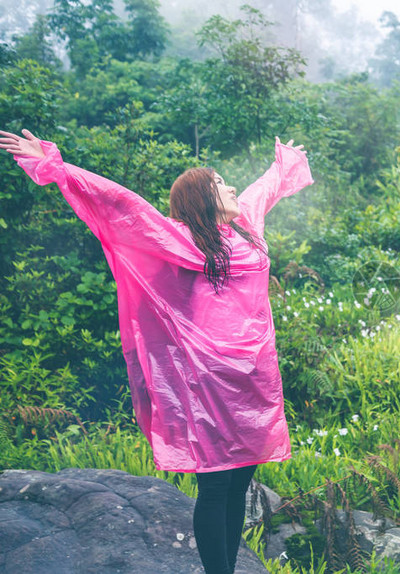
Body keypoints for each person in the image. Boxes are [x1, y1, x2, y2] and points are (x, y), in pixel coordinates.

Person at [0, 128, 314, 574]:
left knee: (242, 476)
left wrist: (283, 165)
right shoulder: (182, 239)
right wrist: (56, 165)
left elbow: (261, 193)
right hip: (209, 375)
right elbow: (123, 204)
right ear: (202, 200)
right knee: (216, 485)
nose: (230, 188)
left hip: (255, 376)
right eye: (220, 183)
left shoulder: (246, 230)